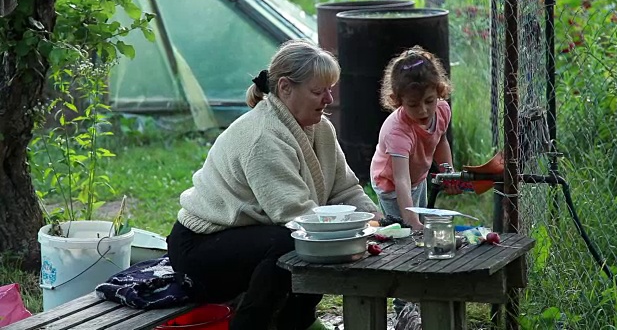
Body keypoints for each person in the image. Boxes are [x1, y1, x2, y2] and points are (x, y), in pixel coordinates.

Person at [167, 39, 382, 330]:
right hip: (201, 249)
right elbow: (294, 214)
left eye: (330, 90)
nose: (329, 99)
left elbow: (345, 189)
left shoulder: (321, 128)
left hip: (250, 238)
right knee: (295, 242)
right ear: (285, 88)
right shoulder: (262, 137)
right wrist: (353, 233)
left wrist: (375, 221)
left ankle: (299, 322)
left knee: (302, 241)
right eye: (318, 91)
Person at [370, 45, 458, 316]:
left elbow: (440, 139)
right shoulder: (398, 130)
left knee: (416, 235)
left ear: (439, 92)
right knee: (403, 241)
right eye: (413, 104)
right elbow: (400, 181)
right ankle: (402, 307)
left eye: (429, 100)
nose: (423, 110)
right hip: (391, 185)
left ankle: (419, 298)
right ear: (397, 100)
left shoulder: (441, 111)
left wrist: (447, 170)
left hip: (416, 177)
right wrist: (412, 220)